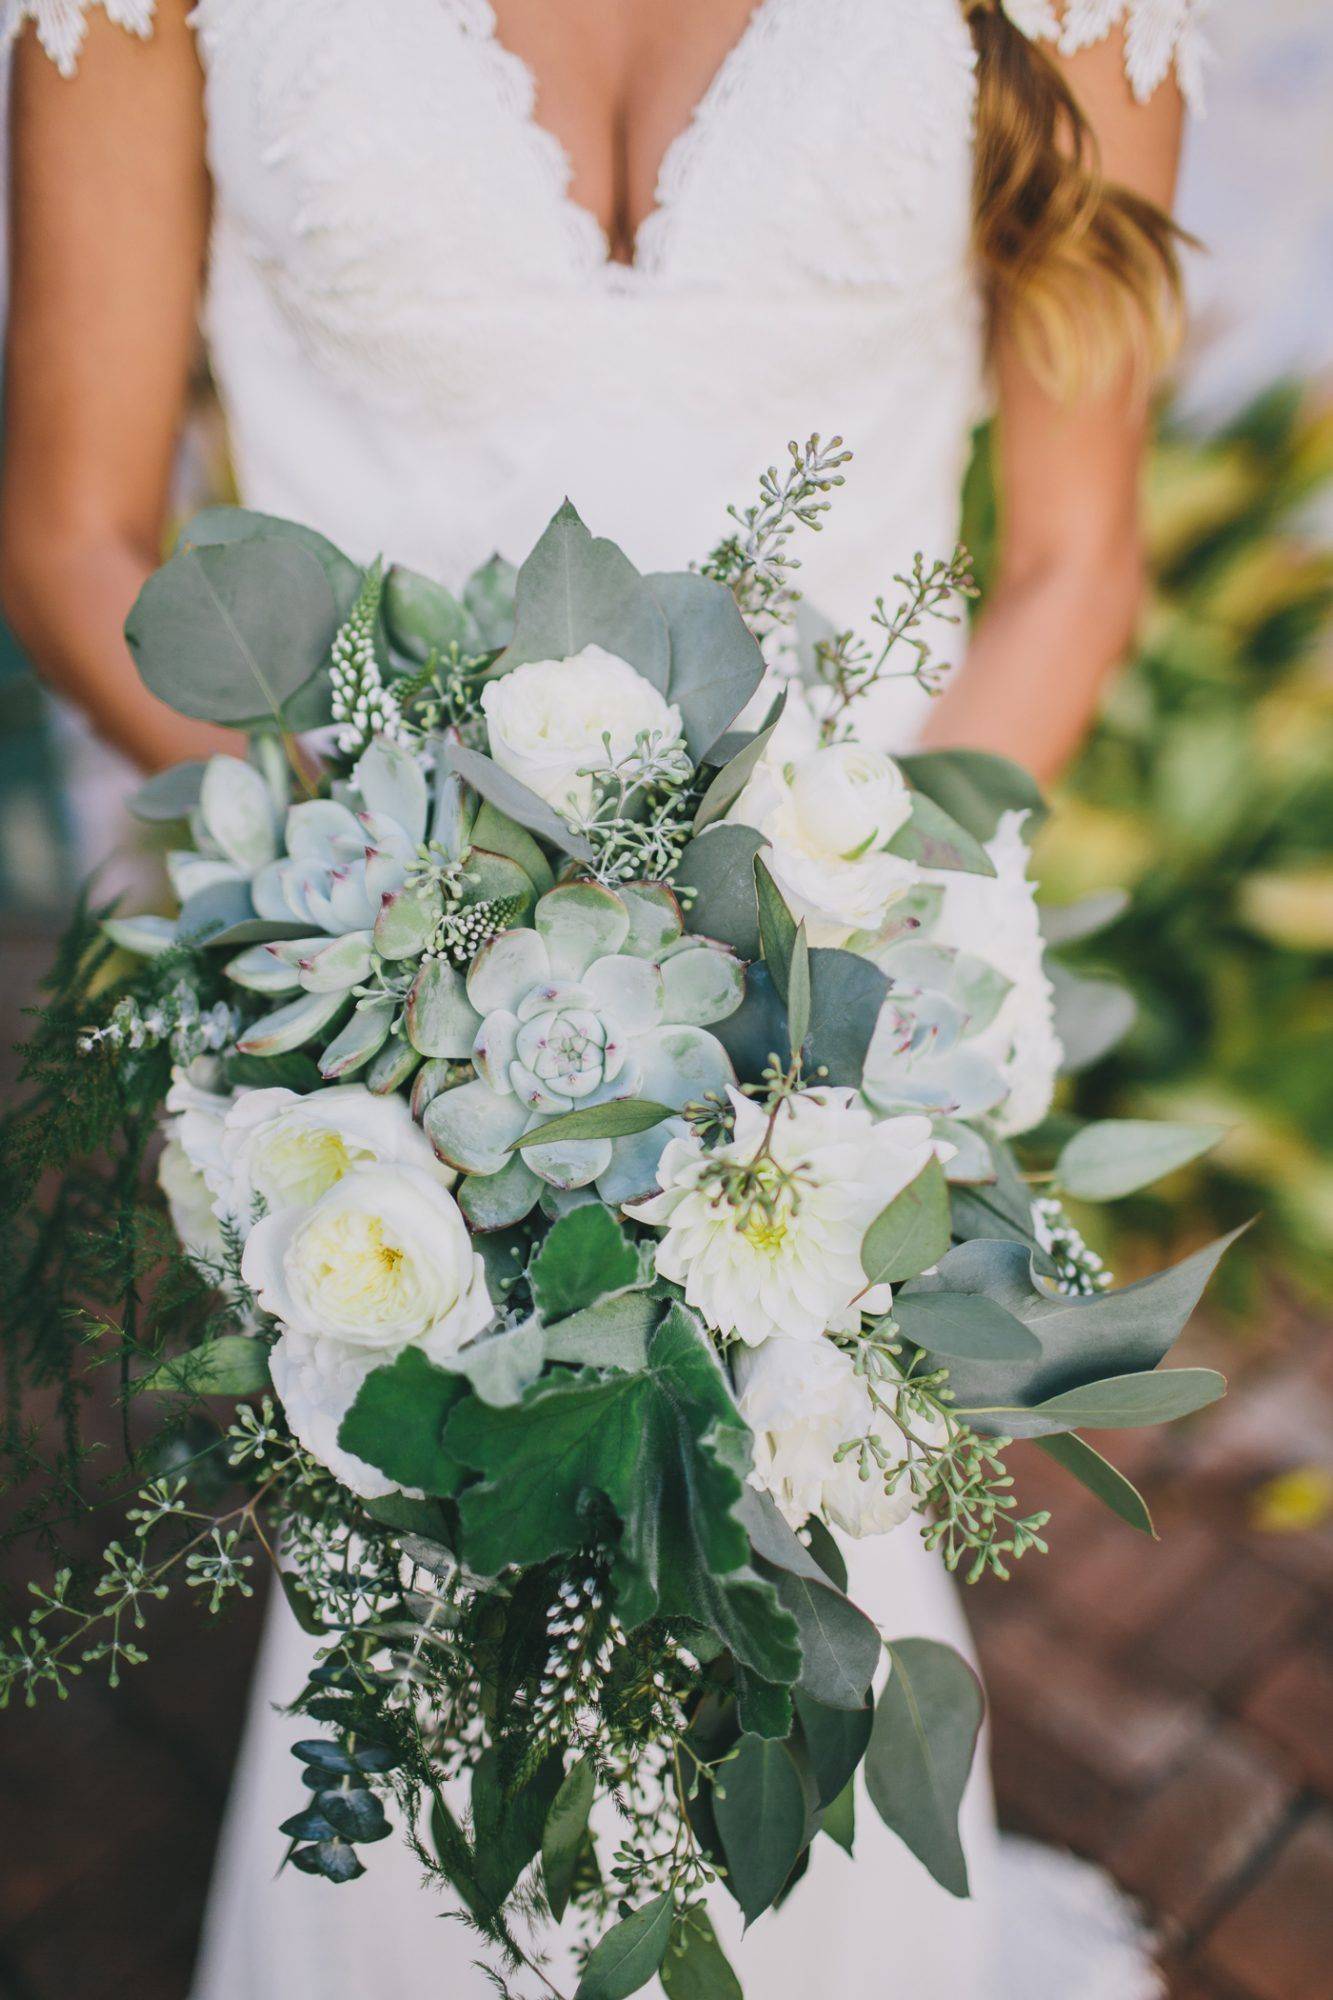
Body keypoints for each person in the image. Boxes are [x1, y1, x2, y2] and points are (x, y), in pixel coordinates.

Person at [0, 3, 1202, 1994]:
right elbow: (75, 530)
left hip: (827, 1018)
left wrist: (839, 1002)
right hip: (369, 986)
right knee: (409, 1541)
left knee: (800, 1573)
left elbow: (1070, 559)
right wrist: (391, 933)